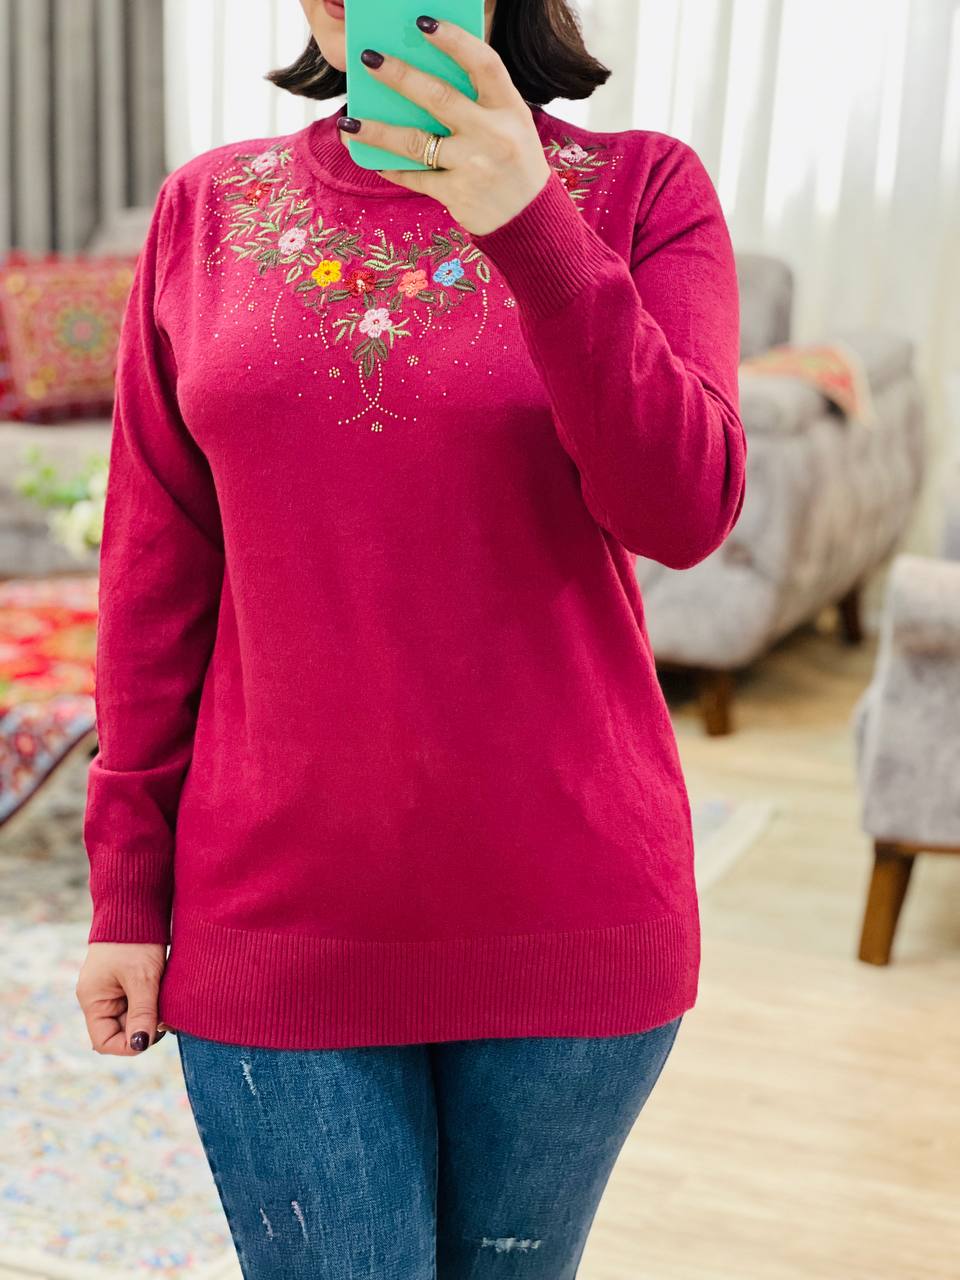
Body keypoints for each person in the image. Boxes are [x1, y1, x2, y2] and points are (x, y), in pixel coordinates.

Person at [75, 0, 746, 1275]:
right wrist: (126, 886)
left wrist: (529, 222)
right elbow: (153, 576)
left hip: (569, 905)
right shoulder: (205, 210)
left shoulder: (642, 188)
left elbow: (684, 510)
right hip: (270, 909)